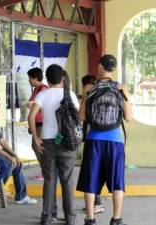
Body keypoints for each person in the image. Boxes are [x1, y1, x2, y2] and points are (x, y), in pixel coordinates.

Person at [77, 55, 133, 225]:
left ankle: (90, 219)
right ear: (114, 68)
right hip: (115, 141)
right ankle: (116, 219)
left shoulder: (89, 88)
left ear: (100, 66)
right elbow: (129, 117)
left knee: (91, 180)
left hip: (94, 140)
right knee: (117, 182)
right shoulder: (121, 88)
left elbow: (81, 117)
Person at [28, 65, 79, 225]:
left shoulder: (43, 94)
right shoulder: (69, 94)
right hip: (67, 142)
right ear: (62, 78)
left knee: (49, 179)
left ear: (47, 79)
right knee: (67, 179)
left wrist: (36, 137)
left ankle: (47, 217)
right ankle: (70, 218)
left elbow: (31, 117)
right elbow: (78, 118)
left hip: (48, 142)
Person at [0, 95, 38, 207]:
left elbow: (2, 141)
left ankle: (21, 196)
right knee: (8, 164)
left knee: (18, 163)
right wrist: (8, 156)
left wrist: (14, 154)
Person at [79, 74, 104, 215]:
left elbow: (81, 117)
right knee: (95, 172)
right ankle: (94, 203)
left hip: (93, 141)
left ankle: (97, 204)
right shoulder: (99, 97)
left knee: (93, 172)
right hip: (99, 140)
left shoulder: (89, 97)